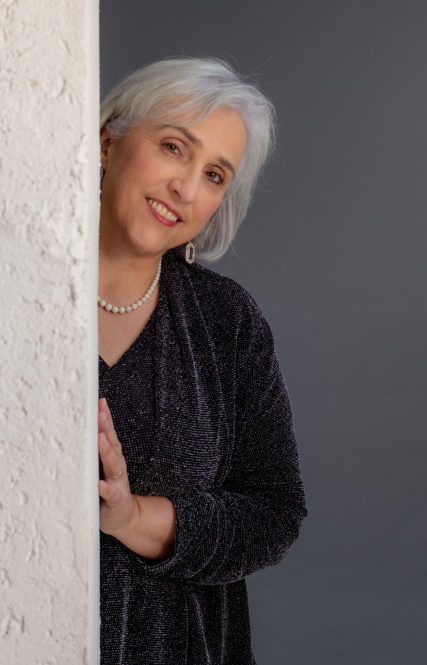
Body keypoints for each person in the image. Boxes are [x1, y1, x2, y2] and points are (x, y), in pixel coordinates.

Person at [97, 57, 307, 665]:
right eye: (173, 147)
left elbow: (274, 514)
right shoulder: (17, 294)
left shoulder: (226, 321)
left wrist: (134, 518)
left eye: (215, 175)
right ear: (107, 142)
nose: (186, 190)